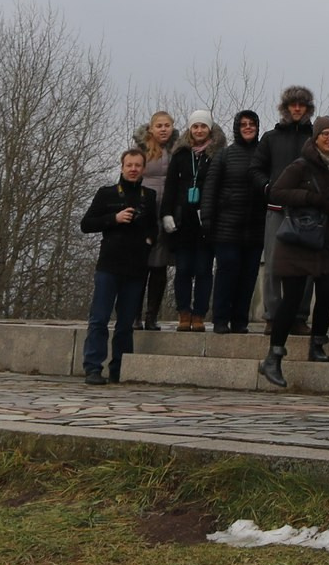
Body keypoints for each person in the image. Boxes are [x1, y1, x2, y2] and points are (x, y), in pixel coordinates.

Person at [261, 114, 329, 388]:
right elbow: (277, 192)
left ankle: (318, 343)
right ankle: (273, 357)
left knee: (327, 291)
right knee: (293, 298)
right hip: (299, 237)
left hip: (324, 236)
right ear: (316, 137)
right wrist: (309, 199)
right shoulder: (301, 165)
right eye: (326, 134)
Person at [79, 147, 159, 384]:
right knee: (99, 319)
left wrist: (149, 240)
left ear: (143, 168)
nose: (133, 169)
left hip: (136, 268)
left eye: (137, 165)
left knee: (125, 323)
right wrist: (114, 219)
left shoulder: (149, 196)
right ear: (122, 167)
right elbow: (86, 224)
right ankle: (93, 367)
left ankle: (120, 368)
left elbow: (153, 227)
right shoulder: (107, 194)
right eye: (129, 165)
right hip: (109, 266)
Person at [256, 85, 316, 325]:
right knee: (272, 265)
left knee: (307, 268)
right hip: (277, 210)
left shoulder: (316, 138)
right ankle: (272, 316)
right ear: (286, 108)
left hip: (308, 211)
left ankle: (300, 316)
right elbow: (256, 169)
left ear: (308, 108)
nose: (297, 109)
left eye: (302, 104)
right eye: (293, 104)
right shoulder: (271, 138)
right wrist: (268, 187)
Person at [201, 109, 266, 334]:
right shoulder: (224, 155)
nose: (248, 127)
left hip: (255, 227)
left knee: (248, 276)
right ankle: (220, 319)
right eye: (243, 124)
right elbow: (210, 189)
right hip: (226, 227)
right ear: (237, 128)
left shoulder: (264, 155)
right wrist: (207, 218)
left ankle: (240, 321)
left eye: (252, 124)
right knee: (227, 272)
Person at [162, 109, 224, 332]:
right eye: (195, 126)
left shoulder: (218, 154)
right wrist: (166, 213)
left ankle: (199, 313)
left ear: (209, 129)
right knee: (183, 270)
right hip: (183, 220)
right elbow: (170, 186)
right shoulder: (180, 155)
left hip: (207, 220)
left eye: (203, 126)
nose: (199, 130)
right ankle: (183, 312)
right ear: (190, 129)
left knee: (204, 270)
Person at [132, 110, 178, 329]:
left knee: (159, 268)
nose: (163, 129)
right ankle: (134, 315)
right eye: (159, 125)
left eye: (167, 125)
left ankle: (152, 316)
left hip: (167, 214)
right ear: (151, 128)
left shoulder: (178, 150)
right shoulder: (140, 150)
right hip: (143, 214)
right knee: (139, 265)